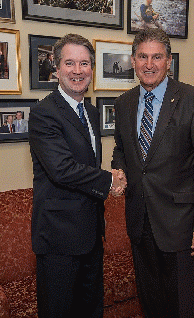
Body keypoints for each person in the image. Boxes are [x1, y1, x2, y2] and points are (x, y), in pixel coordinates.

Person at [111, 28, 194, 318]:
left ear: (169, 61)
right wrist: (119, 168)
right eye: (143, 57)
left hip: (181, 225)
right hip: (139, 220)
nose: (149, 64)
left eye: (157, 57)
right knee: (151, 303)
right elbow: (121, 149)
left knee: (181, 306)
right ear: (133, 61)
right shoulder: (123, 104)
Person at [28, 33, 126, 318]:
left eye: (84, 63)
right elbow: (62, 169)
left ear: (92, 69)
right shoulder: (43, 113)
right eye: (69, 63)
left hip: (92, 235)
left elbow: (87, 167)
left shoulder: (92, 113)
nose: (78, 70)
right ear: (56, 69)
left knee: (91, 311)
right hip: (59, 239)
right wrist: (110, 181)